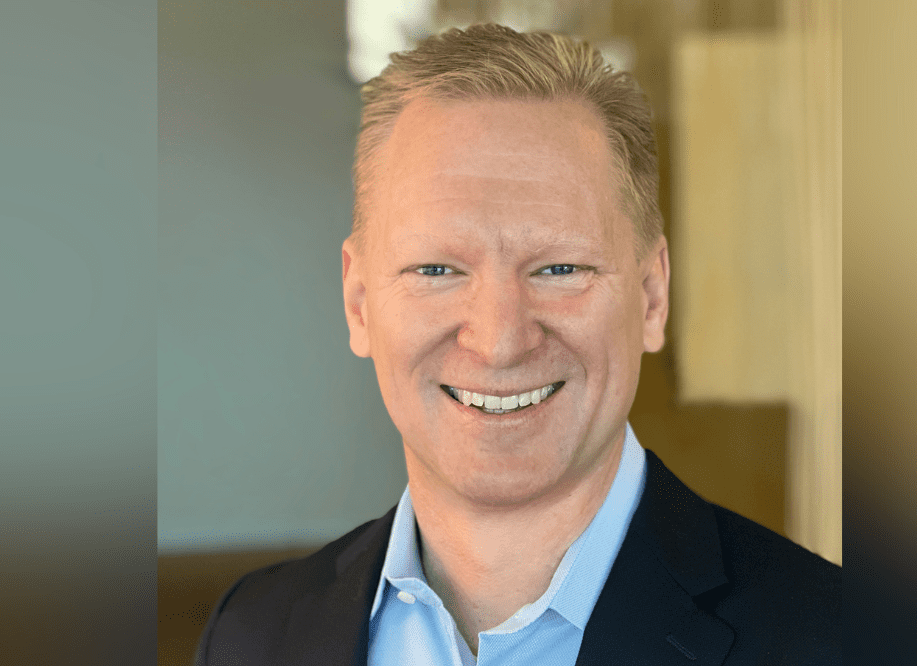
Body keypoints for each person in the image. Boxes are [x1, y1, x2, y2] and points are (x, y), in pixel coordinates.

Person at [195, 24, 840, 666]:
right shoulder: (248, 637)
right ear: (359, 302)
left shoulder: (849, 640)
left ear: (652, 296)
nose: (500, 341)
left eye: (559, 268)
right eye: (437, 269)